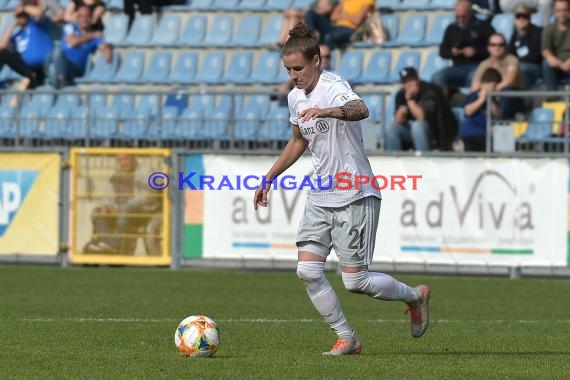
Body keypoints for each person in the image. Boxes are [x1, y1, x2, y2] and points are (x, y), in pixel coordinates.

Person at [253, 23, 431, 356]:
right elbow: (297, 140)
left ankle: (414, 296)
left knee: (355, 282)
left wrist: (327, 111)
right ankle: (348, 338)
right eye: (289, 69)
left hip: (355, 192)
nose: (294, 75)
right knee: (307, 271)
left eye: (299, 68)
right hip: (320, 195)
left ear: (317, 61)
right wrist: (269, 177)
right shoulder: (294, 97)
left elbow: (361, 109)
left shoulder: (334, 87)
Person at [83, 153, 162, 255]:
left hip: (145, 212)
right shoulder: (116, 175)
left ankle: (114, 244)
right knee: (97, 211)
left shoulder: (147, 171)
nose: (123, 163)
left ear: (133, 158)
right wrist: (106, 207)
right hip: (122, 212)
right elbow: (108, 196)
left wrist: (120, 208)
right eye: (120, 160)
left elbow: (147, 196)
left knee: (127, 208)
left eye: (126, 159)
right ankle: (104, 243)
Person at [386, 67, 458, 151]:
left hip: (436, 133)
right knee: (392, 127)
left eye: (411, 80)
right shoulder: (401, 94)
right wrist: (403, 109)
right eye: (405, 82)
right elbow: (399, 119)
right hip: (415, 133)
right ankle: (396, 160)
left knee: (418, 125)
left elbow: (422, 117)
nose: (409, 85)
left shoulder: (430, 91)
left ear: (417, 79)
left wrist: (410, 99)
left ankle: (422, 159)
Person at [432, 0, 495, 90]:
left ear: (470, 13)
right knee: (437, 78)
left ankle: (471, 102)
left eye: (464, 16)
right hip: (456, 67)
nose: (461, 20)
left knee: (474, 78)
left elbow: (493, 49)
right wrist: (452, 52)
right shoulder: (451, 28)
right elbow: (442, 52)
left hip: (477, 66)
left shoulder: (483, 26)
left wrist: (476, 52)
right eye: (458, 17)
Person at [46, 5, 112, 88]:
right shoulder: (70, 27)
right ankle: (61, 82)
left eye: (87, 16)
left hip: (76, 68)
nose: (84, 19)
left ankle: (61, 84)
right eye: (81, 16)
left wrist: (107, 51)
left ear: (91, 18)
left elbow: (105, 48)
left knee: (55, 58)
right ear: (77, 18)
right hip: (61, 63)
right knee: (53, 55)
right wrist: (92, 35)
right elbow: (73, 41)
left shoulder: (96, 37)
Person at [0, 4, 55, 90]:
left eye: (23, 15)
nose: (21, 17)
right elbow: (2, 45)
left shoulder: (36, 24)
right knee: (3, 54)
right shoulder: (17, 35)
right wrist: (13, 24)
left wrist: (23, 8)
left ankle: (32, 78)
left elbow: (39, 13)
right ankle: (30, 77)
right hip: (27, 69)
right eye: (19, 16)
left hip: (43, 65)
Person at [470, 33, 523, 119]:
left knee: (507, 91)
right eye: (493, 45)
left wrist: (490, 90)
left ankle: (501, 121)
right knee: (472, 97)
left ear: (505, 47)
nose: (497, 47)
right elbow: (474, 87)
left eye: (500, 45)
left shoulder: (512, 60)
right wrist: (483, 92)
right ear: (488, 48)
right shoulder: (484, 64)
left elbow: (509, 81)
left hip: (513, 99)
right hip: (493, 97)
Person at [459, 67, 502, 151]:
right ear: (483, 83)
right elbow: (468, 111)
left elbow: (498, 115)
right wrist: (481, 99)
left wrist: (490, 100)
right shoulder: (473, 96)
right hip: (471, 134)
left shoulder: (494, 99)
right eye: (491, 86)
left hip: (487, 134)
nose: (492, 89)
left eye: (494, 86)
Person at [306, 0, 374, 50]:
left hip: (351, 29)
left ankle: (329, 59)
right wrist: (351, 16)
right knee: (310, 13)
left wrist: (342, 15)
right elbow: (333, 16)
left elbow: (357, 20)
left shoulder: (367, 1)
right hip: (336, 26)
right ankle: (310, 40)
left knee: (328, 37)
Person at [507, 3, 543, 89]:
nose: (521, 19)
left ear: (530, 18)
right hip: (519, 66)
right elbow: (510, 54)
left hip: (536, 67)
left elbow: (535, 56)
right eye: (518, 16)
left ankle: (524, 99)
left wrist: (516, 63)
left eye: (524, 16)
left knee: (521, 68)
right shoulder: (514, 35)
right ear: (514, 19)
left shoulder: (538, 32)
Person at [541, 0, 570, 90]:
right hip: (557, 64)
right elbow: (545, 50)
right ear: (554, 12)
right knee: (546, 64)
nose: (562, 13)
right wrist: (552, 59)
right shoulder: (549, 28)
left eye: (564, 10)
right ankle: (553, 98)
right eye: (559, 10)